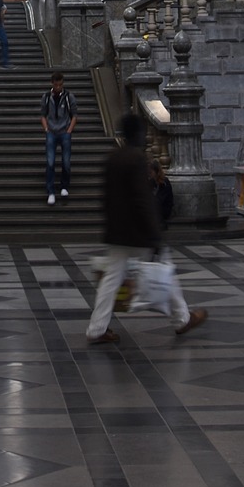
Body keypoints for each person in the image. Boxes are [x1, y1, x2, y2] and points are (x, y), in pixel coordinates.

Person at [86, 113, 206, 345]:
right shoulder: (137, 159)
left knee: (111, 279)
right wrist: (155, 235)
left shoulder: (113, 158)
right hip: (138, 234)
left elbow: (107, 198)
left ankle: (96, 328)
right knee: (165, 269)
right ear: (138, 135)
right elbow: (143, 201)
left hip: (118, 232)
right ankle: (182, 319)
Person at [41, 71, 76, 205]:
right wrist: (46, 128)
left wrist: (69, 130)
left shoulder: (68, 97)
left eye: (60, 85)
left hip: (64, 131)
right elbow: (43, 114)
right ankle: (50, 191)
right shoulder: (46, 97)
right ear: (52, 84)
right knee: (50, 162)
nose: (58, 87)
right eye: (56, 85)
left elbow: (74, 114)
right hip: (51, 131)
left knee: (66, 161)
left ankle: (64, 186)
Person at [151, 158, 174, 229]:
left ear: (156, 172)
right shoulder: (150, 182)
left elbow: (161, 200)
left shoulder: (164, 182)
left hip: (164, 209)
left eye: (151, 172)